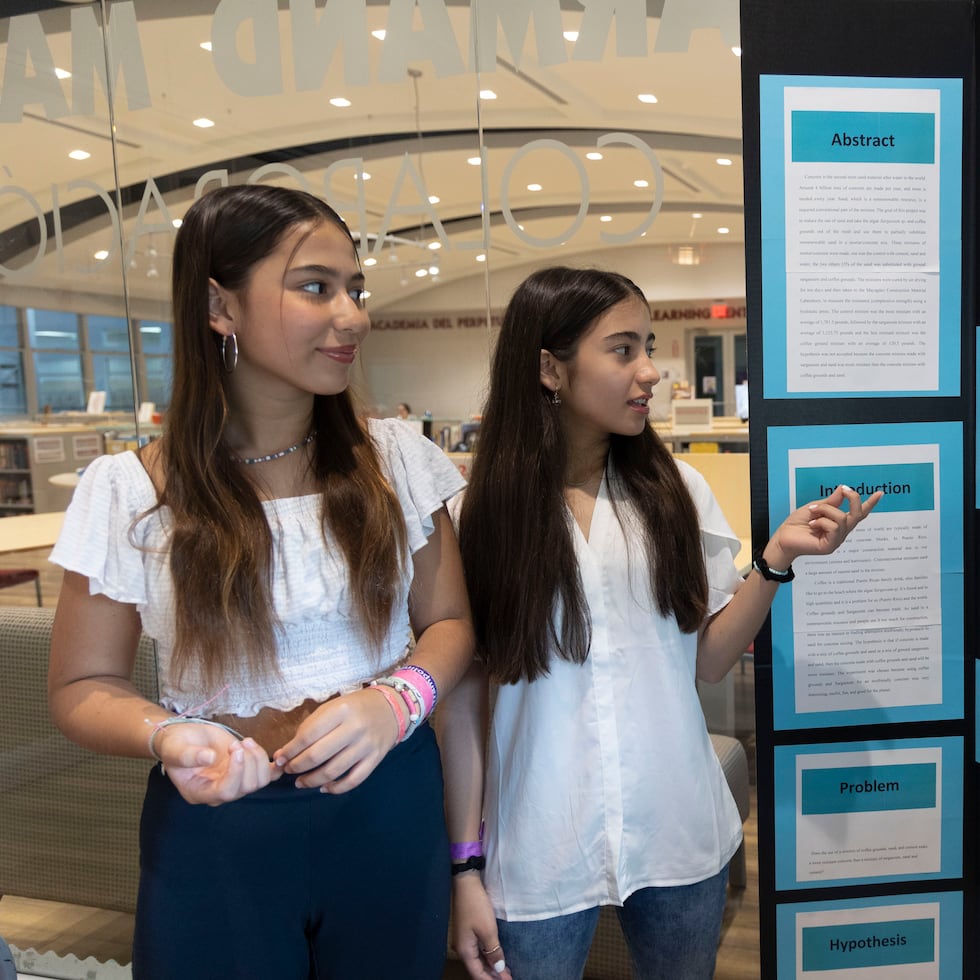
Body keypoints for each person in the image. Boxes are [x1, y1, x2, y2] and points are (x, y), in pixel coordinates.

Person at [47, 184, 474, 979]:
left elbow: (450, 623)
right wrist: (167, 733)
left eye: (355, 289)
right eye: (316, 287)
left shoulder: (394, 460)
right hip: (219, 829)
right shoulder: (131, 490)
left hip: (387, 804)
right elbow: (81, 682)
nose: (352, 315)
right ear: (220, 306)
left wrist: (395, 702)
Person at [438, 266, 881, 980]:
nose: (650, 371)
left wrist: (774, 561)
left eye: (647, 345)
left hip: (675, 824)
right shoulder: (475, 518)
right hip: (537, 840)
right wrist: (464, 868)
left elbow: (707, 660)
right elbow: (462, 709)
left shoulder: (677, 493)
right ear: (550, 368)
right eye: (623, 350)